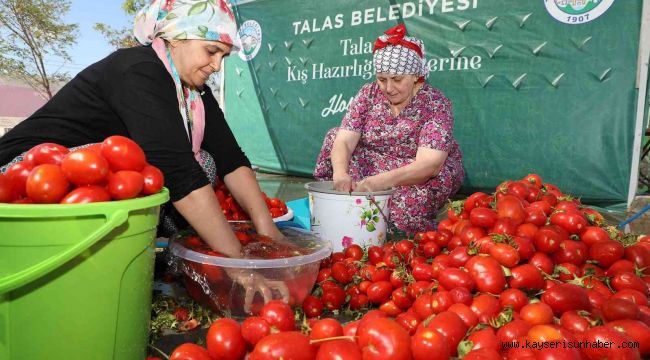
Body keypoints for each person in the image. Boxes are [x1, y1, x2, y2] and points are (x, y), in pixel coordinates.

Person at [0, 0, 286, 309]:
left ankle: (152, 252)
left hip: (83, 183)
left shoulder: (192, 91)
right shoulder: (138, 70)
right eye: (211, 51)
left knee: (207, 161)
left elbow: (231, 158)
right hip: (25, 173)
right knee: (183, 166)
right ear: (177, 36)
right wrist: (238, 264)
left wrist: (268, 232)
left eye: (224, 57)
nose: (217, 66)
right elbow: (177, 172)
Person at [313, 23, 464, 234]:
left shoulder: (435, 103)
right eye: (382, 79)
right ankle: (349, 201)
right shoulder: (369, 93)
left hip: (413, 173)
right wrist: (340, 174)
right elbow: (345, 140)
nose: (388, 88)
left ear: (415, 76)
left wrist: (379, 182)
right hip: (374, 164)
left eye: (397, 79)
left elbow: (429, 165)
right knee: (334, 138)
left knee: (401, 217)